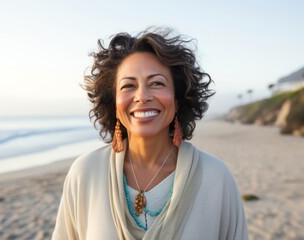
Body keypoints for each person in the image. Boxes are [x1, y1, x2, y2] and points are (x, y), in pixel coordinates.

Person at [52, 28, 248, 240]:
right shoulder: (85, 174)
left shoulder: (216, 178)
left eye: (157, 83)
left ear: (177, 99)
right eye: (128, 85)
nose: (142, 96)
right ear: (114, 103)